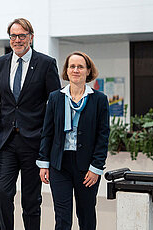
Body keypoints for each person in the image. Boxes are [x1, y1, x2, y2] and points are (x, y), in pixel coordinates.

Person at [0, 18, 61, 230]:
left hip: (33, 142)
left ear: (31, 37)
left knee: (31, 200)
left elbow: (54, 106)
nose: (17, 40)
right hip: (7, 141)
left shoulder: (46, 64)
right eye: (13, 36)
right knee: (3, 194)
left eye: (21, 36)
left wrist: (49, 142)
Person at [37, 51, 109, 230]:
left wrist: (96, 167)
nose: (76, 70)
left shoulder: (99, 99)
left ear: (88, 71)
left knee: (86, 214)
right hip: (59, 164)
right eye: (72, 66)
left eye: (80, 67)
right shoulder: (55, 97)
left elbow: (103, 136)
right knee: (62, 217)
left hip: (87, 166)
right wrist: (44, 163)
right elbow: (47, 132)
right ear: (66, 71)